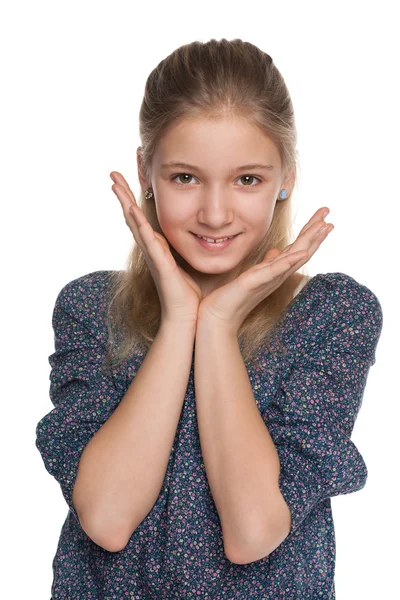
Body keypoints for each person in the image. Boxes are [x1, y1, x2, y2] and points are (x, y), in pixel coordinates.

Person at [35, 38, 383, 599]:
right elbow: (106, 518)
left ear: (285, 174)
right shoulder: (92, 310)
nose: (215, 213)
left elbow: (252, 532)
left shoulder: (331, 315)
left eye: (247, 179)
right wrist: (179, 322)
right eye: (185, 178)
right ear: (145, 171)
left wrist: (217, 325)